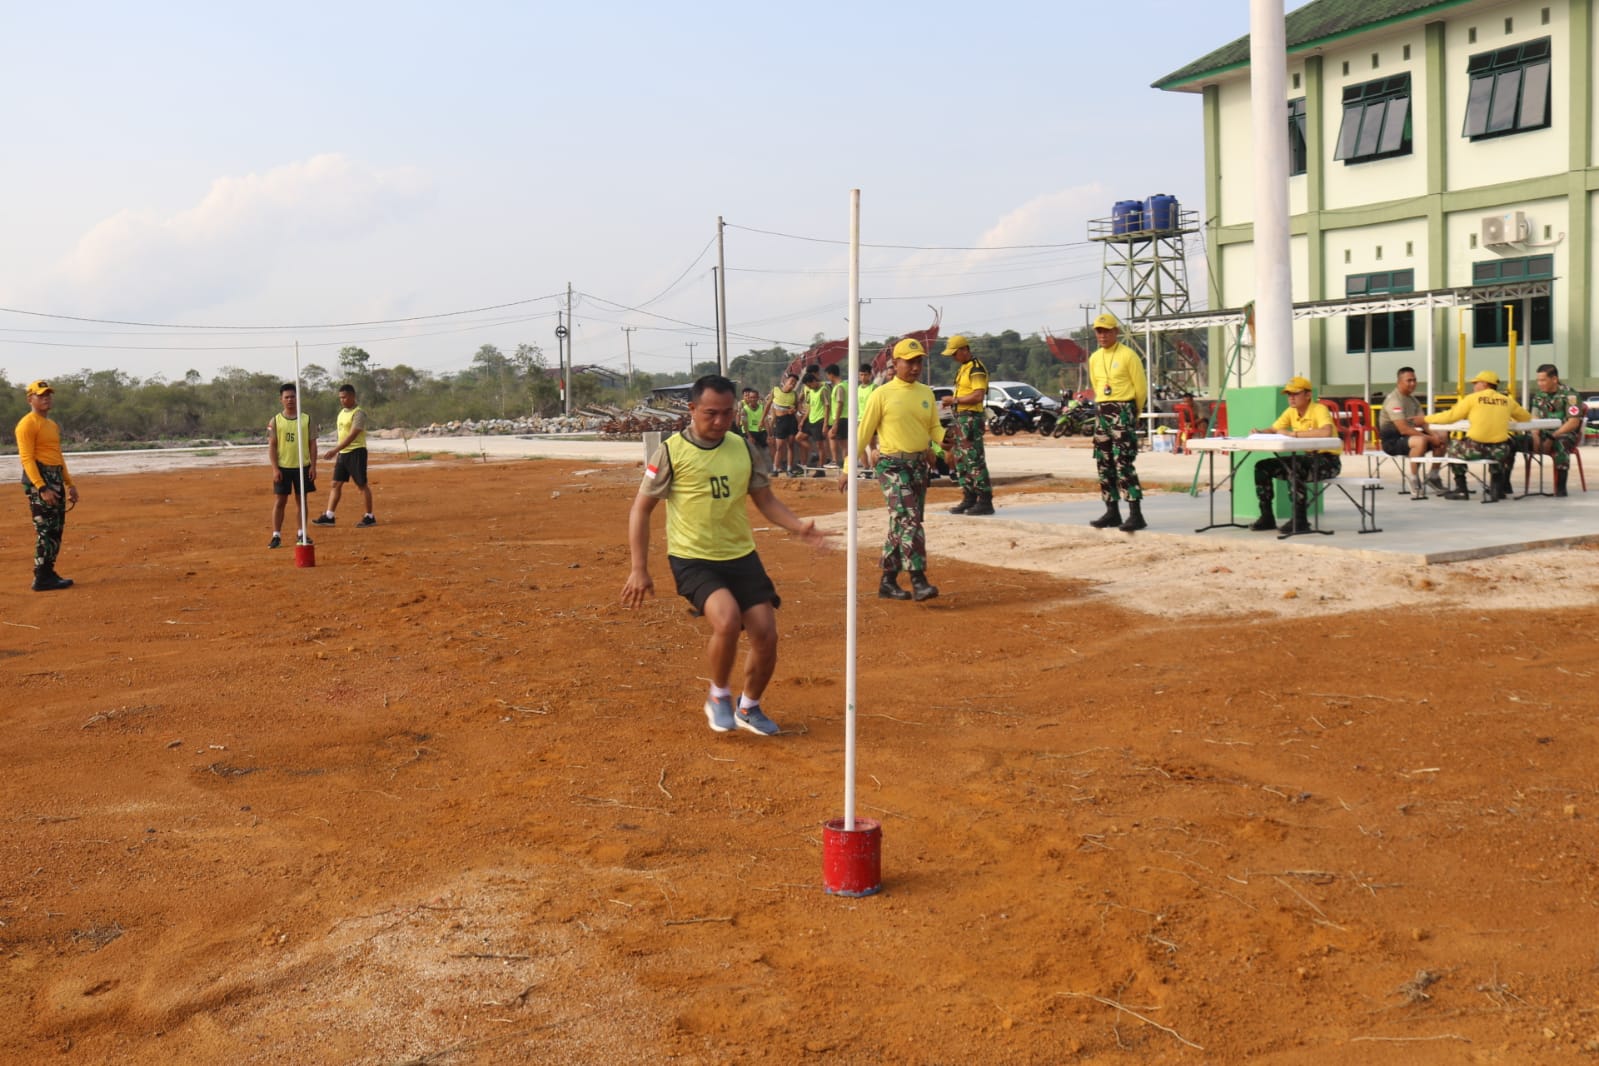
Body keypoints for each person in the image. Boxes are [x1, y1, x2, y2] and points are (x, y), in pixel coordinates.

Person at [622, 374, 831, 736]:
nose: (719, 422)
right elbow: (641, 509)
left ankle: (749, 707)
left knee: (766, 634)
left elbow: (765, 499)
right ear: (691, 410)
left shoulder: (743, 448)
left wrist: (797, 527)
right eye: (710, 413)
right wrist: (639, 568)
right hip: (693, 557)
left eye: (726, 414)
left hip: (740, 555)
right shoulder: (671, 451)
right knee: (728, 620)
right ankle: (719, 694)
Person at [841, 337, 942, 601]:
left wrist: (943, 444)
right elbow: (862, 433)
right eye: (909, 362)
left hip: (918, 465)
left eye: (918, 361)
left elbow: (933, 428)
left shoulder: (926, 393)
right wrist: (848, 467)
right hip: (891, 465)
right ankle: (918, 579)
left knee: (902, 523)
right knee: (909, 519)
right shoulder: (881, 394)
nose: (915, 367)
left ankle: (887, 581)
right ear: (895, 363)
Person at [1249, 376, 1342, 535]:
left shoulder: (1319, 409)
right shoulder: (1291, 411)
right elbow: (1274, 429)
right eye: (1288, 394)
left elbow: (1326, 431)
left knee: (1294, 466)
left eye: (1295, 393)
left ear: (1307, 394)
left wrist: (1294, 434)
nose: (1291, 397)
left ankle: (1300, 519)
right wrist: (1259, 432)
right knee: (1262, 466)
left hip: (1328, 462)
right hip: (1309, 460)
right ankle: (1266, 516)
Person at [1424, 370, 1532, 501]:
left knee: (1452, 447)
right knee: (1503, 445)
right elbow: (1526, 417)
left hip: (1475, 449)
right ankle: (1496, 489)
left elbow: (1450, 417)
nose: (1474, 386)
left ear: (1485, 384)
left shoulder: (1472, 399)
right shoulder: (1507, 401)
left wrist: (1426, 419)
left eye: (1476, 383)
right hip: (1499, 452)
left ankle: (1461, 488)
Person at [1085, 313, 1149, 532]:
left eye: (1106, 331)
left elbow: (1140, 388)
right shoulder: (1094, 358)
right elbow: (1096, 385)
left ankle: (1135, 513)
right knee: (1104, 462)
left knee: (1123, 462)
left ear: (1116, 332)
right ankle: (1111, 510)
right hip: (1103, 408)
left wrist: (1134, 414)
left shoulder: (1128, 355)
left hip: (1124, 408)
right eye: (1098, 331)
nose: (1102, 335)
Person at [15, 379, 78, 591]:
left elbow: (58, 456)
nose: (46, 398)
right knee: (45, 530)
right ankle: (41, 577)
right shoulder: (27, 424)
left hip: (55, 478)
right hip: (39, 482)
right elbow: (27, 459)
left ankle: (48, 572)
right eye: (41, 395)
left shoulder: (51, 425)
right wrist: (41, 488)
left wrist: (69, 484)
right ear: (30, 399)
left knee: (56, 529)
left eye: (48, 395)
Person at [939, 334, 995, 516]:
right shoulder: (964, 368)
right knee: (961, 460)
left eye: (955, 354)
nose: (953, 358)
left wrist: (954, 400)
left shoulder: (976, 369)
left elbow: (978, 395)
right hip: (961, 419)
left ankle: (985, 500)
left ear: (965, 350)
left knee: (974, 460)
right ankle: (969, 497)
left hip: (971, 417)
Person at [312, 383, 376, 527]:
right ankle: (329, 515)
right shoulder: (341, 413)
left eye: (345, 397)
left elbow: (353, 434)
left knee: (361, 485)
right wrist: (339, 451)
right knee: (335, 484)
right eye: (340, 398)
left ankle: (369, 516)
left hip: (356, 452)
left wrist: (335, 450)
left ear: (353, 396)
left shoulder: (359, 413)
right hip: (343, 453)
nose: (342, 400)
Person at [1377, 366, 1447, 493]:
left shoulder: (1413, 400)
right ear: (1399, 382)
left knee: (1443, 435)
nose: (1413, 383)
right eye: (1409, 380)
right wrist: (1431, 438)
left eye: (1414, 380)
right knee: (1420, 441)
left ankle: (1434, 476)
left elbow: (1423, 422)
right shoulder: (1394, 400)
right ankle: (1414, 478)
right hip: (1393, 440)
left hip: (1410, 437)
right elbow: (1403, 429)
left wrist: (1436, 436)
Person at [1519, 363, 1585, 496]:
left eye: (1543, 380)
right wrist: (1535, 436)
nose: (1540, 383)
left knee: (1561, 443)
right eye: (1538, 380)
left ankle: (1560, 488)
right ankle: (1502, 486)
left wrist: (1552, 436)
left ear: (1554, 379)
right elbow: (1534, 418)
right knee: (1513, 440)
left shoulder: (1570, 395)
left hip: (1564, 434)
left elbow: (1573, 423)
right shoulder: (1538, 397)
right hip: (1542, 434)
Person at [268, 382, 317, 549]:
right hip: (283, 467)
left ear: (298, 398)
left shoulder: (306, 419)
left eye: (293, 397)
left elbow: (312, 444)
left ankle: (302, 533)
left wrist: (313, 466)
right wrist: (275, 469)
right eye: (286, 397)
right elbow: (272, 446)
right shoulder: (275, 421)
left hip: (302, 466)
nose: (290, 400)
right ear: (281, 399)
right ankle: (276, 535)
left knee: (301, 501)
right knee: (280, 501)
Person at [765, 372, 800, 476]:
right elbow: (768, 405)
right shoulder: (776, 390)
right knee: (779, 447)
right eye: (791, 381)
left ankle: (789, 469)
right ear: (785, 381)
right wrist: (763, 419)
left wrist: (794, 410)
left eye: (795, 383)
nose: (792, 384)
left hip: (791, 421)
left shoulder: (794, 394)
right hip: (780, 422)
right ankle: (775, 469)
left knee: (790, 445)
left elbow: (797, 407)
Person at [797, 369, 829, 475]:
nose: (809, 387)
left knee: (820, 445)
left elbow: (827, 406)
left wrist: (825, 424)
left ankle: (820, 469)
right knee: (799, 438)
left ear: (813, 381)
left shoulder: (823, 389)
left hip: (820, 420)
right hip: (811, 419)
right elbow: (810, 406)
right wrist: (803, 420)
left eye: (809, 385)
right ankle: (814, 453)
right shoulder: (810, 391)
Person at [855, 362, 879, 477]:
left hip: (871, 420)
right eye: (861, 375)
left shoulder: (874, 388)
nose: (863, 377)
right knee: (858, 444)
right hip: (860, 420)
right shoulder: (858, 388)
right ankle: (866, 467)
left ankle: (874, 468)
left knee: (871, 444)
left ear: (870, 375)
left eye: (865, 375)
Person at [824, 363, 849, 469]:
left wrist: (836, 422)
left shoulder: (839, 387)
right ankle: (841, 462)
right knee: (834, 437)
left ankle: (842, 464)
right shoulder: (846, 385)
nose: (827, 377)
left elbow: (840, 404)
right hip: (846, 418)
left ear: (831, 375)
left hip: (842, 418)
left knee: (843, 444)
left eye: (827, 375)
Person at [737, 386, 769, 458]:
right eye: (751, 397)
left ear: (758, 398)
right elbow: (744, 424)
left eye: (755, 397)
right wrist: (749, 436)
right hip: (749, 431)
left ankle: (774, 466)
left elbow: (766, 421)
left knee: (770, 444)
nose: (753, 399)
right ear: (748, 398)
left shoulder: (762, 407)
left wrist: (769, 434)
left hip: (760, 430)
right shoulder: (744, 409)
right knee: (749, 446)